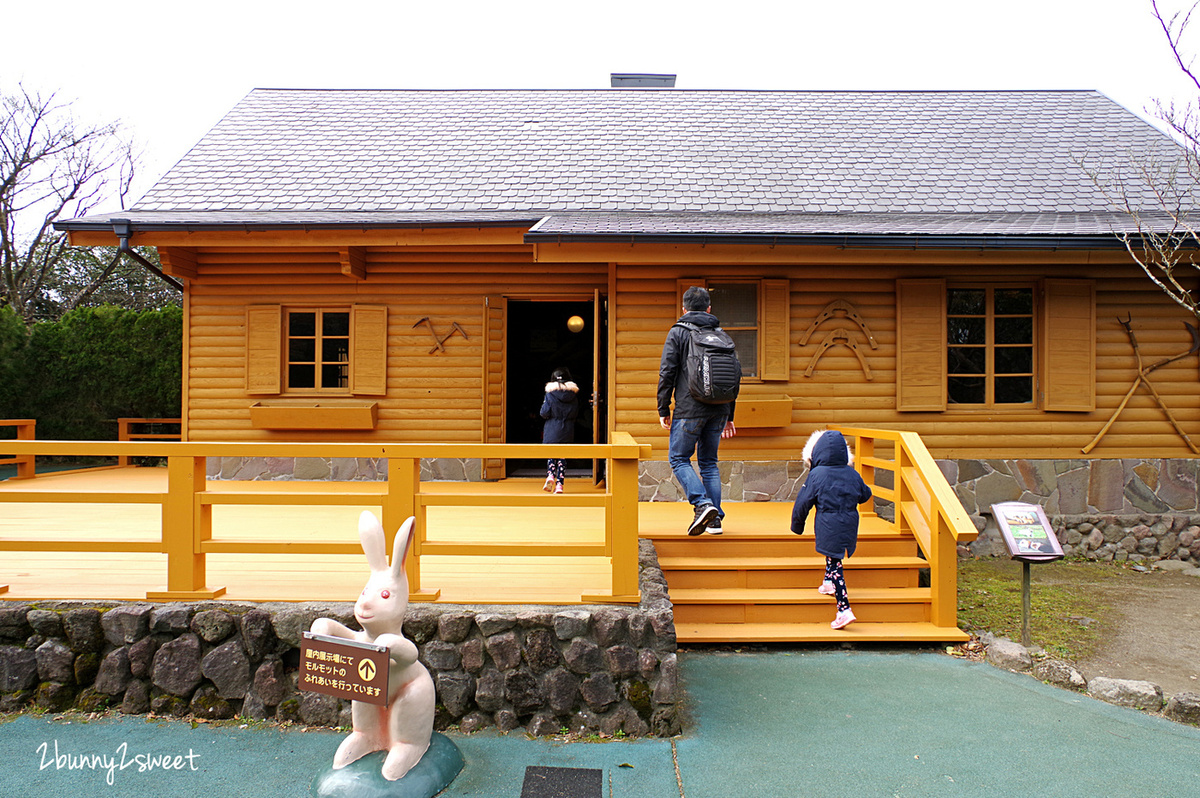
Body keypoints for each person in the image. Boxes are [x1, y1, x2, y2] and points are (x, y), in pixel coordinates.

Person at [658, 286, 737, 536]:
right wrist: (729, 415)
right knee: (709, 463)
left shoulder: (678, 332)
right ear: (709, 309)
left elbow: (667, 372)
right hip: (719, 409)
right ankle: (714, 521)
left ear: (684, 309)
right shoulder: (721, 334)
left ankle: (702, 505)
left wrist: (663, 407)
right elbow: (732, 378)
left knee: (679, 458)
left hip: (689, 408)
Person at [791, 429, 873, 630]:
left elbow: (803, 502)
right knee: (834, 555)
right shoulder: (852, 473)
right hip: (850, 522)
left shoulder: (817, 475)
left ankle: (844, 609)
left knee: (836, 563)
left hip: (828, 523)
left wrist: (797, 525)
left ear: (817, 453)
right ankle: (827, 582)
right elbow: (865, 495)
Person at [540, 367, 579, 494]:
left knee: (552, 453)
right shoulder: (573, 395)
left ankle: (550, 474)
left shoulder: (550, 394)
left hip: (552, 427)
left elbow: (544, 412)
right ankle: (559, 485)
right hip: (567, 428)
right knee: (562, 456)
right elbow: (576, 412)